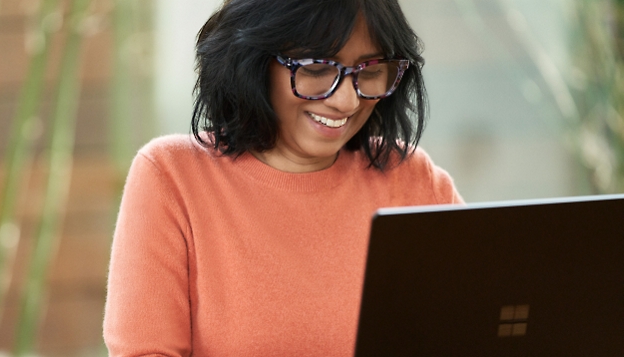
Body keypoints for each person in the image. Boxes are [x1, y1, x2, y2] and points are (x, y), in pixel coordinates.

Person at [103, 0, 464, 355]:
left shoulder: (412, 177)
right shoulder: (171, 177)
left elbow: (482, 324)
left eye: (369, 71)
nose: (346, 101)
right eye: (317, 68)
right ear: (253, 62)